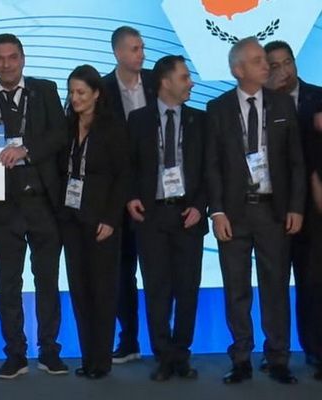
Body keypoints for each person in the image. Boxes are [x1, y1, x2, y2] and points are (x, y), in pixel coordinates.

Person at [205, 37, 305, 385]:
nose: (267, 66)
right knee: (236, 289)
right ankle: (241, 358)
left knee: (275, 286)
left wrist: (296, 207)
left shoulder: (282, 104)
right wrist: (217, 212)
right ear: (238, 69)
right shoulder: (218, 108)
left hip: (272, 210)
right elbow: (212, 165)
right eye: (258, 60)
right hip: (234, 213)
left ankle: (278, 358)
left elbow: (296, 162)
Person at [0, 33, 69, 379]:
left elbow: (60, 135)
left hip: (43, 201)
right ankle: (15, 353)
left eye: (12, 57)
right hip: (3, 205)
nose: (6, 64)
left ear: (23, 59)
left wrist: (26, 149)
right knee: (8, 282)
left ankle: (50, 350)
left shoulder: (45, 90)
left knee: (47, 279)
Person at [127, 55, 207, 381]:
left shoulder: (200, 120)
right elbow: (128, 166)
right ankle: (163, 355)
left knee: (187, 289)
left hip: (189, 214)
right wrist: (131, 196)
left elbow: (210, 169)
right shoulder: (139, 119)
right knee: (157, 289)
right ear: (165, 82)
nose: (191, 83)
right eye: (185, 77)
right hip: (152, 214)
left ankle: (181, 354)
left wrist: (201, 206)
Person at [59, 65, 129, 379]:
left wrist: (112, 218)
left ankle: (102, 360)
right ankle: (88, 357)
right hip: (72, 219)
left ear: (97, 93)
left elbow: (123, 176)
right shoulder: (67, 125)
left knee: (102, 292)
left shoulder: (112, 127)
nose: (75, 98)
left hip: (102, 220)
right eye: (71, 92)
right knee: (79, 290)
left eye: (81, 92)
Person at [264, 40, 322, 372]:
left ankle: (315, 348)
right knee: (274, 282)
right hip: (272, 206)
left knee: (313, 280)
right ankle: (277, 350)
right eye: (275, 66)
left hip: (314, 208)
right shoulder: (262, 103)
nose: (284, 71)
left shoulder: (318, 98)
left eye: (288, 62)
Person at [102, 25, 156, 364]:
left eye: (142, 48)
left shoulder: (157, 82)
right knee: (122, 273)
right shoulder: (102, 90)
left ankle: (166, 343)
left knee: (159, 271)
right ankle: (129, 339)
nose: (141, 55)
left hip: (156, 193)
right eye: (135, 49)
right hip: (117, 197)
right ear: (118, 52)